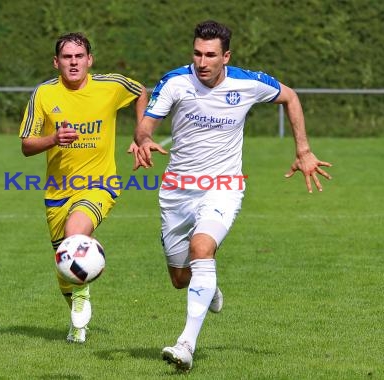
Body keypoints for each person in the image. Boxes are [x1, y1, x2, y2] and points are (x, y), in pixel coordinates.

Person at [134, 20, 332, 371]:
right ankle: (207, 284)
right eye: (197, 53)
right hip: (176, 191)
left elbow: (290, 96)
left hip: (223, 186)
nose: (202, 61)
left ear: (226, 56)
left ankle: (185, 345)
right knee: (181, 279)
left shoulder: (249, 82)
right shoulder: (176, 81)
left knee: (202, 248)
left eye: (210, 55)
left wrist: (303, 150)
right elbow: (146, 123)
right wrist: (144, 138)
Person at [19, 32, 148, 343]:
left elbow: (143, 92)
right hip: (57, 190)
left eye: (79, 56)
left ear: (90, 60)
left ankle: (82, 294)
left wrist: (141, 134)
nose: (73, 62)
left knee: (75, 234)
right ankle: (77, 316)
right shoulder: (44, 95)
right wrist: (53, 139)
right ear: (56, 62)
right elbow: (26, 145)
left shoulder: (111, 86)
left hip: (100, 183)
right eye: (67, 57)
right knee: (64, 266)